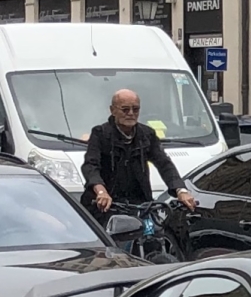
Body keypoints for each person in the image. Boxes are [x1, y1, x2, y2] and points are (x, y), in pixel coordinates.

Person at [81, 90, 200, 220]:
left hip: (139, 203)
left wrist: (180, 190)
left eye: (135, 109)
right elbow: (90, 166)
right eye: (125, 109)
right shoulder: (100, 133)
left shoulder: (147, 134)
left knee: (156, 232)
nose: (131, 113)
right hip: (106, 204)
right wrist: (101, 191)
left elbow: (164, 163)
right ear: (112, 110)